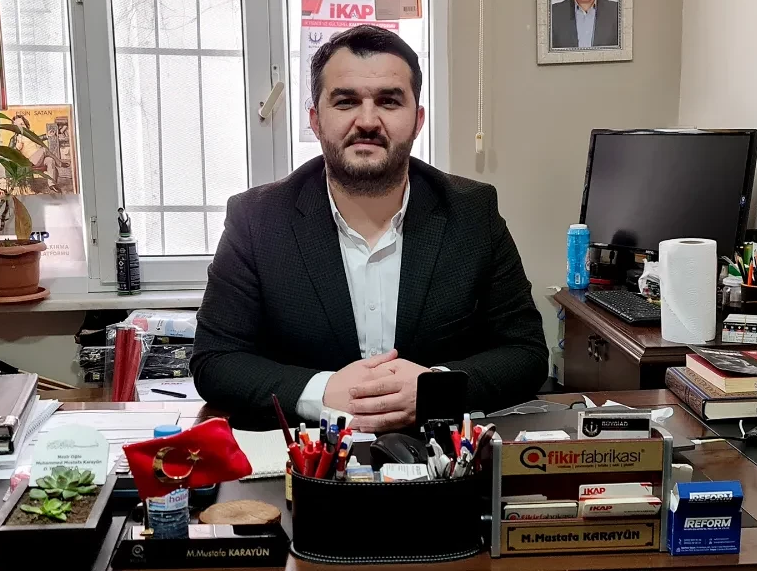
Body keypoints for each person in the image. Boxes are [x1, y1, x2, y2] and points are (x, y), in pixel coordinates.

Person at [191, 25, 548, 432]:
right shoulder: (256, 219)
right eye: (345, 102)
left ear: (417, 120)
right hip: (308, 456)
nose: (367, 121)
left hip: (439, 454)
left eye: (388, 101)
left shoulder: (472, 213)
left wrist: (436, 389)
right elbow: (215, 360)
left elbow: (526, 352)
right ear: (315, 120)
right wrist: (323, 392)